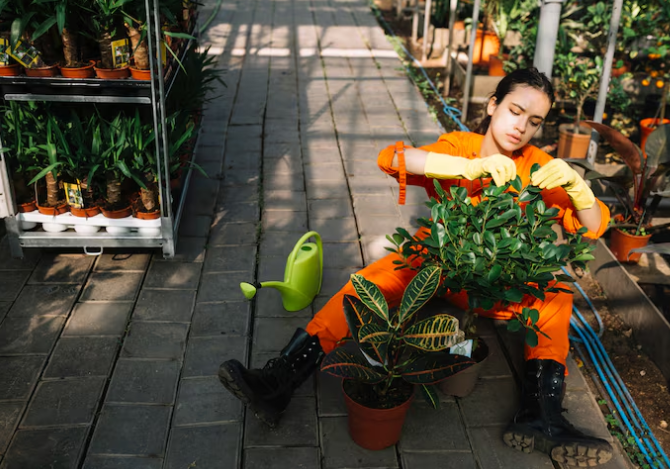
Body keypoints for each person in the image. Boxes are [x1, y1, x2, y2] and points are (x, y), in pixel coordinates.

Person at [218, 68, 613, 466]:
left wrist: (579, 189)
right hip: (438, 261)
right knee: (370, 283)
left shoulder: (540, 166)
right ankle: (280, 379)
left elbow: (595, 226)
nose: (521, 127)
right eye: (515, 110)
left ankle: (540, 416)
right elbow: (393, 158)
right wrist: (467, 169)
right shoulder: (460, 147)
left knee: (556, 294)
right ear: (492, 105)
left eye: (534, 121)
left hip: (495, 279)